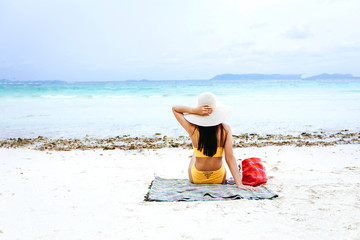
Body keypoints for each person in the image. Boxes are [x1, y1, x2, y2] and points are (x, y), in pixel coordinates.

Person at [172, 92, 256, 191]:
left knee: (195, 154)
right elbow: (230, 158)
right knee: (217, 156)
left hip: (196, 178)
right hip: (219, 178)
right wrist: (239, 184)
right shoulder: (225, 129)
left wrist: (194, 110)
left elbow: (175, 109)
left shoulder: (192, 129)